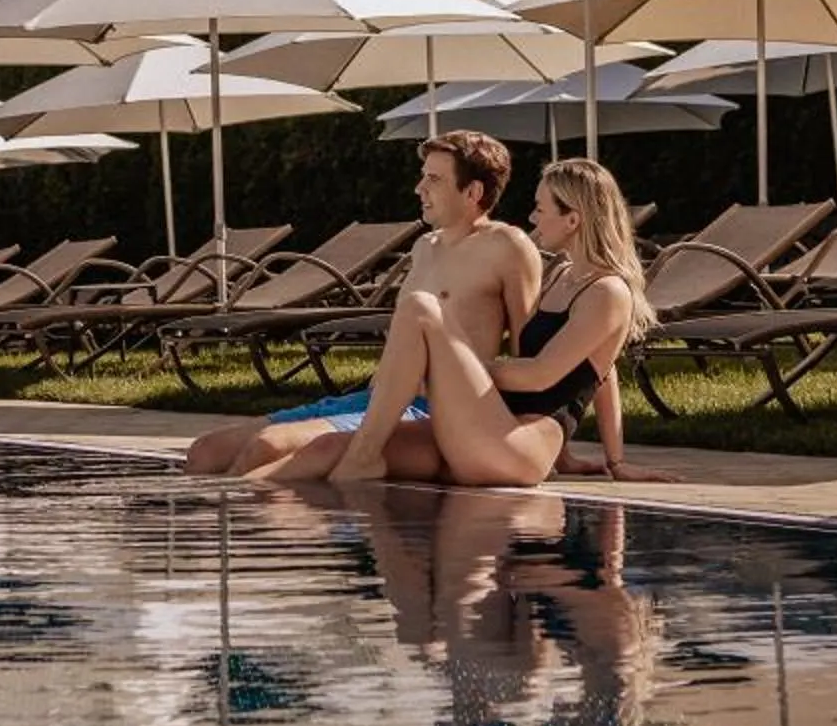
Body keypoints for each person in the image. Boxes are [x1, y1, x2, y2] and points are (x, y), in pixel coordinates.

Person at [267, 156, 670, 488]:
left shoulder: (608, 292)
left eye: (541, 209)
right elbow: (603, 371)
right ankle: (226, 504)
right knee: (324, 450)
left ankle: (362, 459)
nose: (532, 218)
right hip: (481, 432)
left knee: (422, 308)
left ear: (573, 220)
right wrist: (613, 460)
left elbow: (540, 377)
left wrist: (445, 374)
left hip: (514, 449)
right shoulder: (563, 277)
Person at [185, 131, 537, 479]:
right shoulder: (424, 247)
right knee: (205, 451)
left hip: (431, 410)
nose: (419, 189)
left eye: (433, 179)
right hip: (370, 400)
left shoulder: (507, 246)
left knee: (268, 446)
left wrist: (538, 441)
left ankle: (237, 523)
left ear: (473, 191)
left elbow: (529, 349)